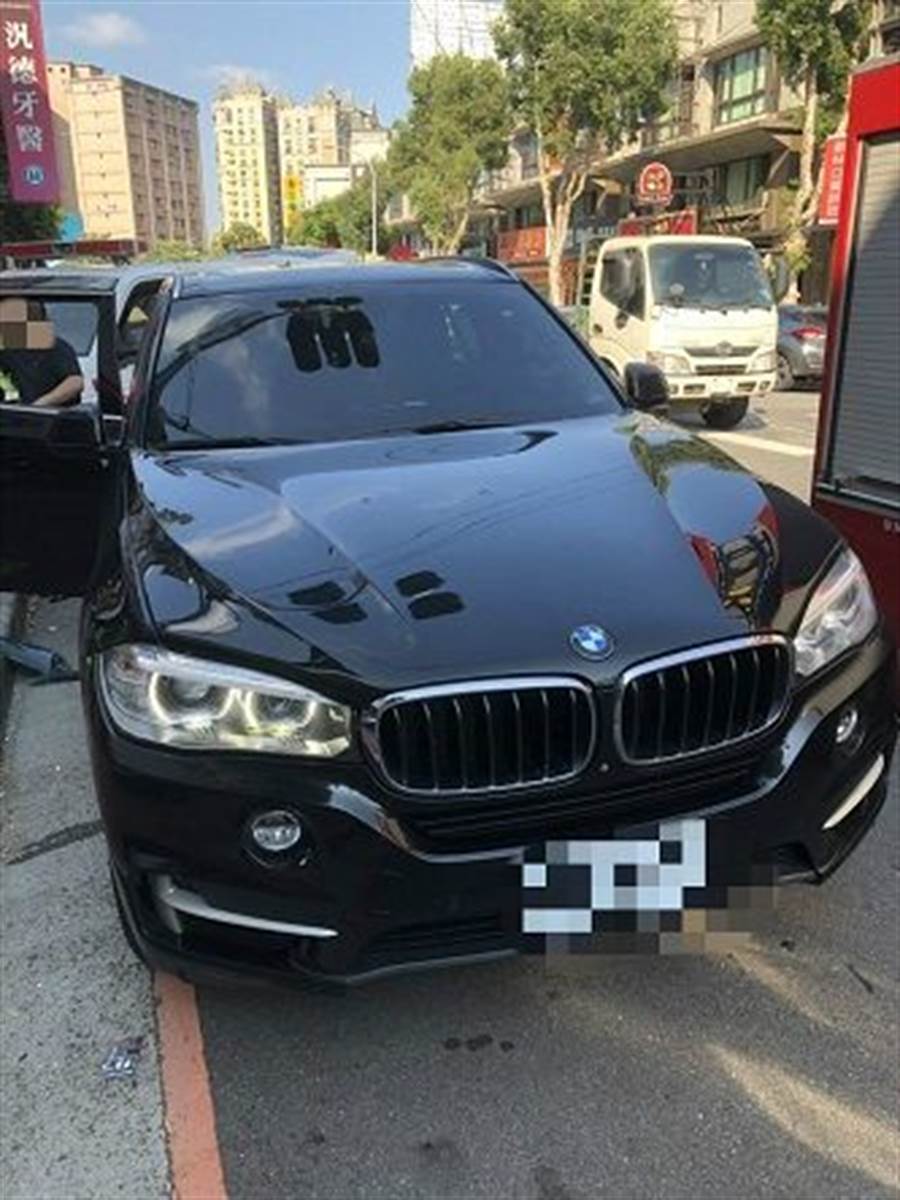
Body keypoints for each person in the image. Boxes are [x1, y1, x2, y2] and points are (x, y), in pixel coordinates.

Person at [0, 299, 84, 408]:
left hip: (49, 414)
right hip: (12, 412)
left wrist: (38, 405)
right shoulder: (7, 350)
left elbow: (75, 382)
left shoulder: (56, 347)